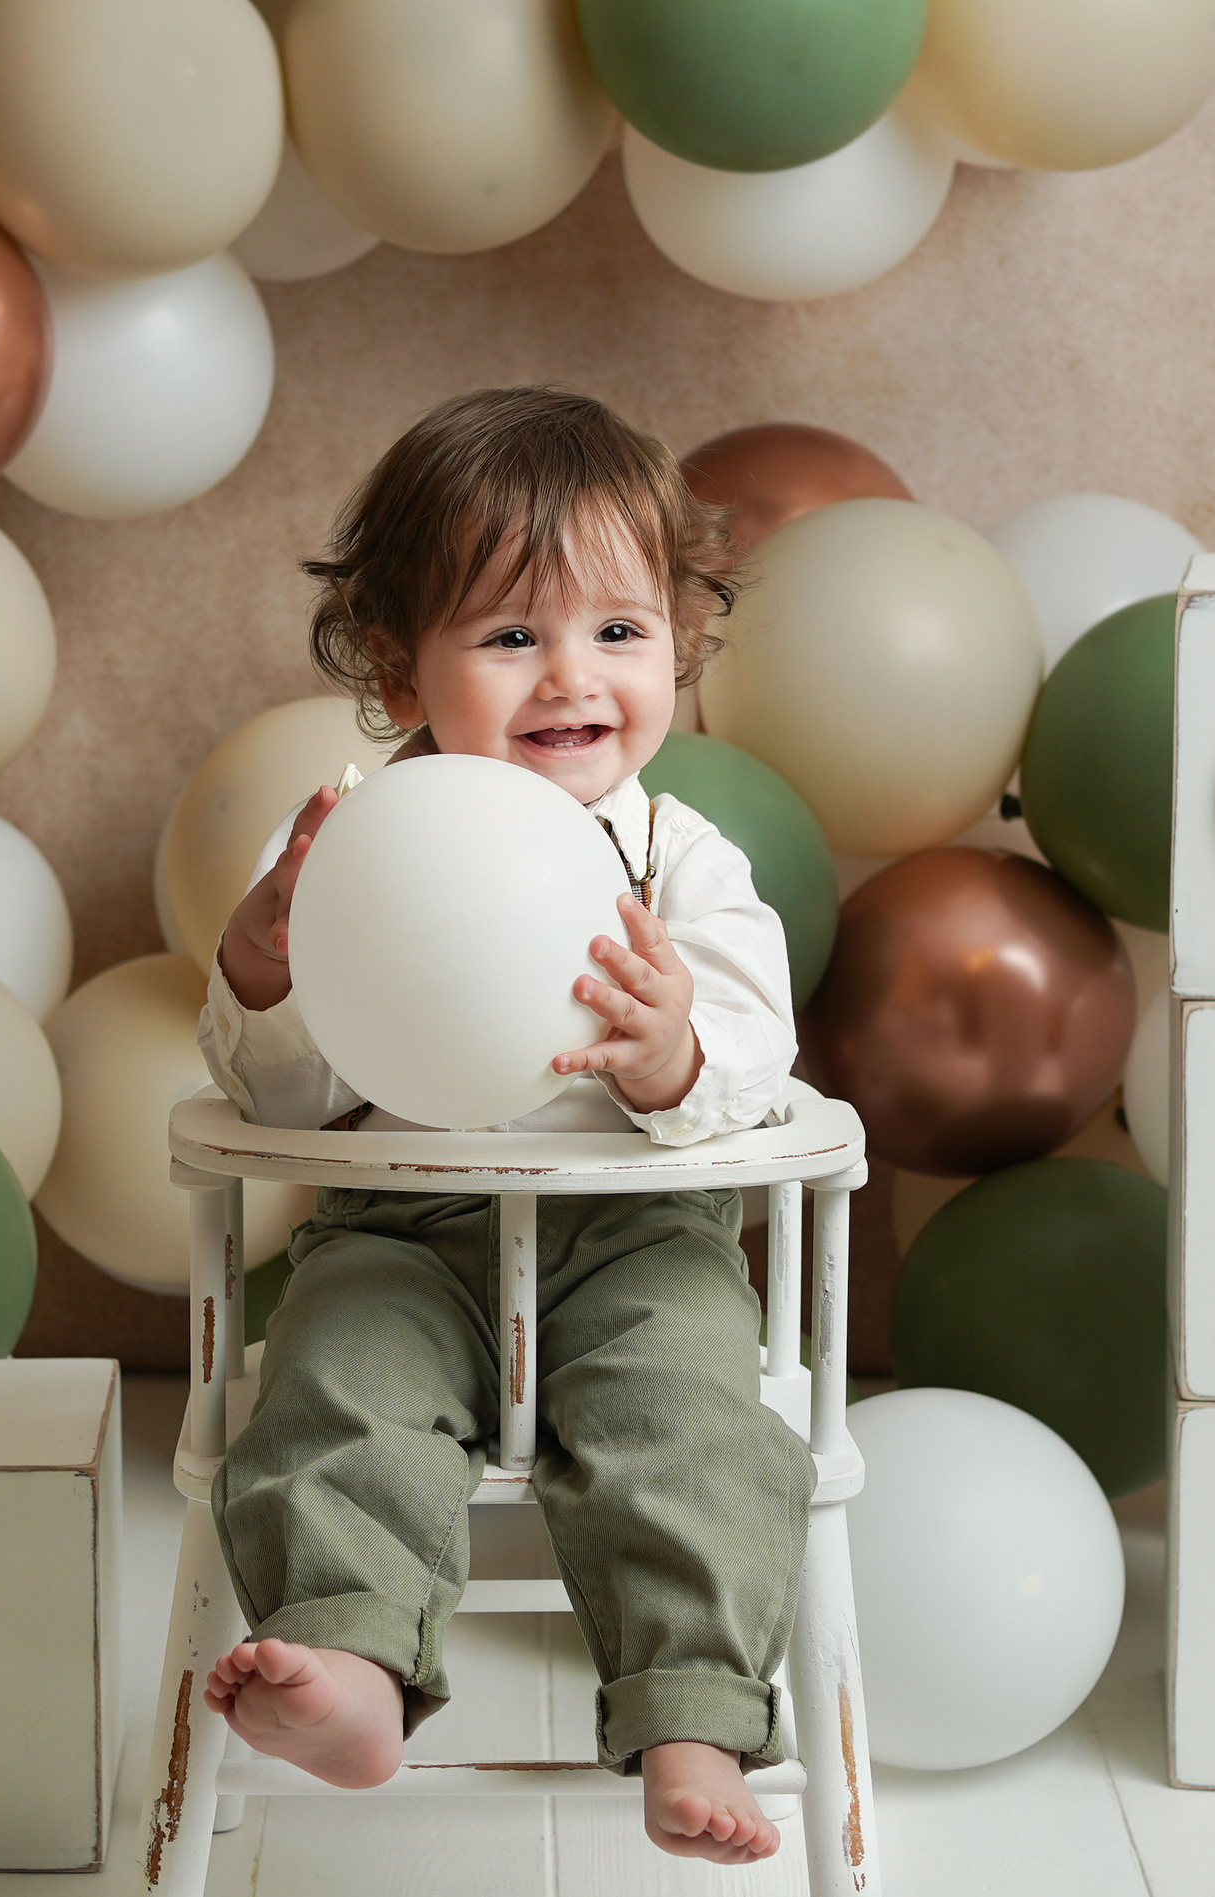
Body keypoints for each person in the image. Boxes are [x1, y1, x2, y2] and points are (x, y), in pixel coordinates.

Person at [196, 387, 809, 1865]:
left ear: (680, 641)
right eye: (511, 635)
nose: (570, 676)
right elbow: (275, 1097)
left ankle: (687, 1710)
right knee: (333, 1386)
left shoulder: (680, 861)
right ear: (401, 664)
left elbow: (761, 1054)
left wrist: (675, 1053)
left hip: (632, 1240)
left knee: (696, 1420)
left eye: (619, 629)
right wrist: (272, 959)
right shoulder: (362, 845)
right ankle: (346, 1658)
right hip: (402, 1229)